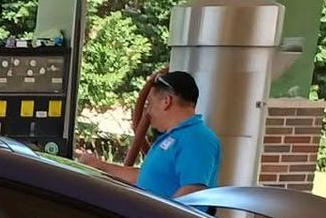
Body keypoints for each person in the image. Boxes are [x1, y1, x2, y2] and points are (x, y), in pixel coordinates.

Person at [77, 69, 220, 200]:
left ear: (166, 101)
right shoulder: (173, 137)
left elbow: (193, 191)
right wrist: (99, 165)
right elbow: (145, 176)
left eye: (150, 104)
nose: (148, 112)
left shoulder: (196, 138)